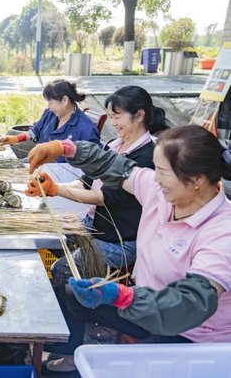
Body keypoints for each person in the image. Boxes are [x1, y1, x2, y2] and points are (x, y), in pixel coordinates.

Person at [27, 125, 231, 373]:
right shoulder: (160, 193)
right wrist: (63, 148)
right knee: (71, 294)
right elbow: (116, 167)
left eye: (163, 172)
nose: (155, 178)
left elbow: (189, 303)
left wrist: (122, 297)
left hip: (189, 336)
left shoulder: (222, 232)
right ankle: (71, 357)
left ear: (197, 180)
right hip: (146, 303)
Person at [26, 86, 169, 285]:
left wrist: (56, 190)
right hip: (95, 226)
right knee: (48, 233)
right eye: (110, 117)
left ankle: (77, 310)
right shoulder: (115, 144)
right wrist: (51, 186)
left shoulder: (147, 157)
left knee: (60, 269)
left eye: (117, 117)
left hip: (119, 242)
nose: (113, 123)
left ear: (139, 115)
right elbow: (87, 181)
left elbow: (102, 197)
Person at [0, 79, 100, 161]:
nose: (48, 106)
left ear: (64, 100)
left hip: (61, 174)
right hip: (39, 163)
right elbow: (34, 132)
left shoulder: (85, 129)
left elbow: (93, 160)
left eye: (50, 102)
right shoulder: (50, 114)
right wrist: (14, 139)